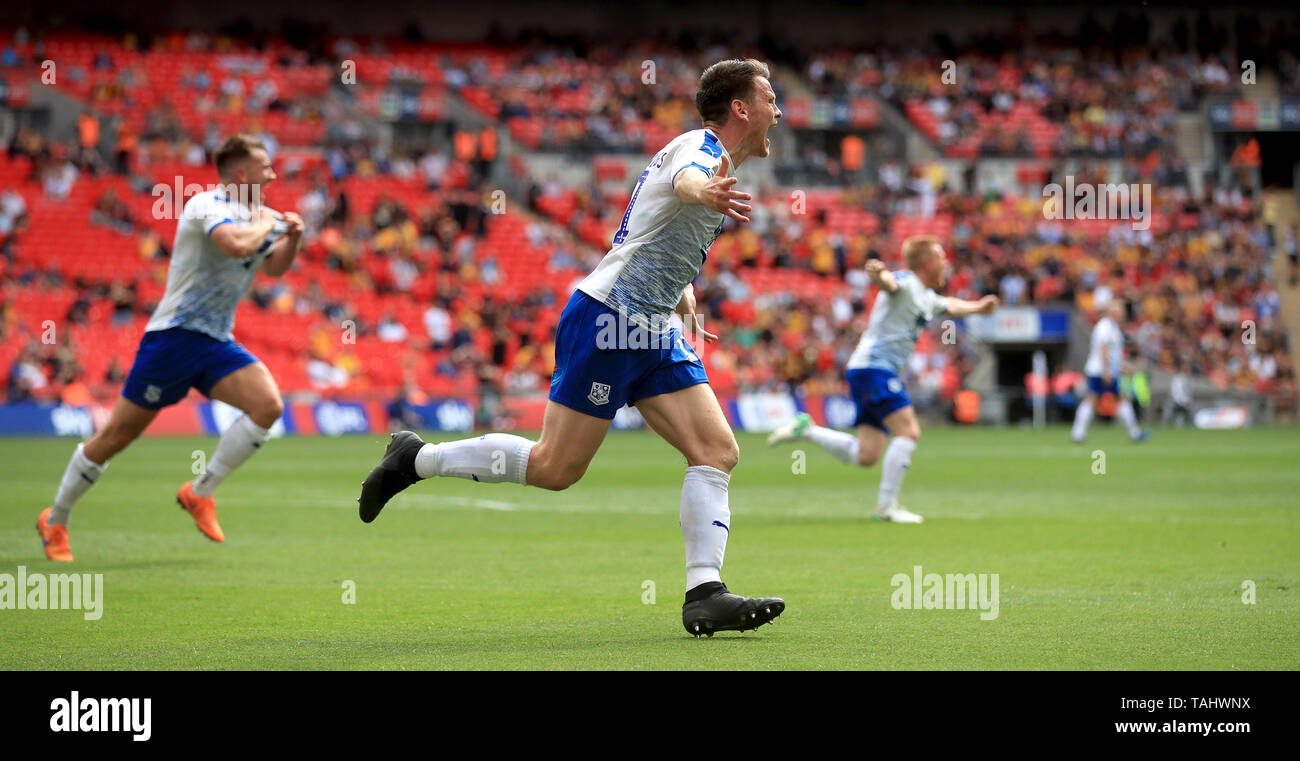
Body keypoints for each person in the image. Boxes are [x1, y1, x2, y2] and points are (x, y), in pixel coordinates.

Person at [357, 59, 785, 637]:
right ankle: (415, 458)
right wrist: (702, 190)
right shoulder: (703, 153)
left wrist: (683, 293)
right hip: (608, 319)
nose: (777, 110)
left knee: (716, 449)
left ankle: (704, 592)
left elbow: (651, 229)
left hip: (651, 327)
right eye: (768, 97)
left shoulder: (712, 161)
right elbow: (686, 184)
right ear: (740, 108)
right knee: (556, 467)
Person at [37, 135, 305, 562]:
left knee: (268, 405)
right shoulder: (206, 205)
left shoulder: (263, 217)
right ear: (241, 173)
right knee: (115, 438)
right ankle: (56, 520)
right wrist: (273, 226)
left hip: (217, 341)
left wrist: (293, 237)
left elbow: (273, 268)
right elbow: (235, 245)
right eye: (265, 166)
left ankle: (200, 492)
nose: (273, 173)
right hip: (173, 338)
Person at [767, 237, 999, 523]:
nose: (946, 263)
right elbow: (891, 283)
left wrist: (979, 308)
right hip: (875, 369)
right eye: (940, 257)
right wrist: (879, 275)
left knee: (866, 455)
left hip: (867, 371)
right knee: (909, 432)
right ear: (927, 263)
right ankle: (887, 508)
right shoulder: (908, 282)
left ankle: (807, 430)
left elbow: (950, 305)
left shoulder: (926, 296)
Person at [1069, 300, 1150, 443]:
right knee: (1096, 399)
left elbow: (1113, 353)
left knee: (1102, 399)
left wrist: (1121, 366)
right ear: (1112, 312)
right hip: (1100, 370)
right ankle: (1134, 433)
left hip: (1104, 369)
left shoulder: (1111, 327)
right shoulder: (1105, 327)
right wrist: (1107, 370)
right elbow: (1103, 349)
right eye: (1120, 310)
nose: (1122, 313)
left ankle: (1078, 433)